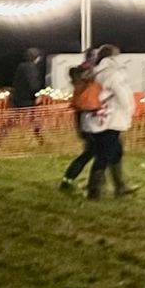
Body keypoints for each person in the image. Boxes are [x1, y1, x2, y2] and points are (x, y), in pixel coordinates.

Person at [82, 45, 139, 200]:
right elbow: (123, 95)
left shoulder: (93, 72)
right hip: (111, 117)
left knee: (115, 150)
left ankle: (119, 186)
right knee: (105, 154)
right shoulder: (113, 73)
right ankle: (94, 191)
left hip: (95, 118)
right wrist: (130, 110)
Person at [58, 52, 100, 190]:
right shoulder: (85, 73)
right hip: (88, 114)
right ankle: (81, 183)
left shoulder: (80, 72)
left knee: (94, 151)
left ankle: (70, 180)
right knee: (95, 151)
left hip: (85, 114)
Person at [0, 47, 45, 146]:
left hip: (16, 98)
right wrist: (38, 94)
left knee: (11, 121)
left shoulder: (21, 66)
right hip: (27, 100)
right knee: (35, 120)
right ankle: (40, 141)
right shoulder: (31, 67)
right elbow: (33, 84)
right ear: (36, 58)